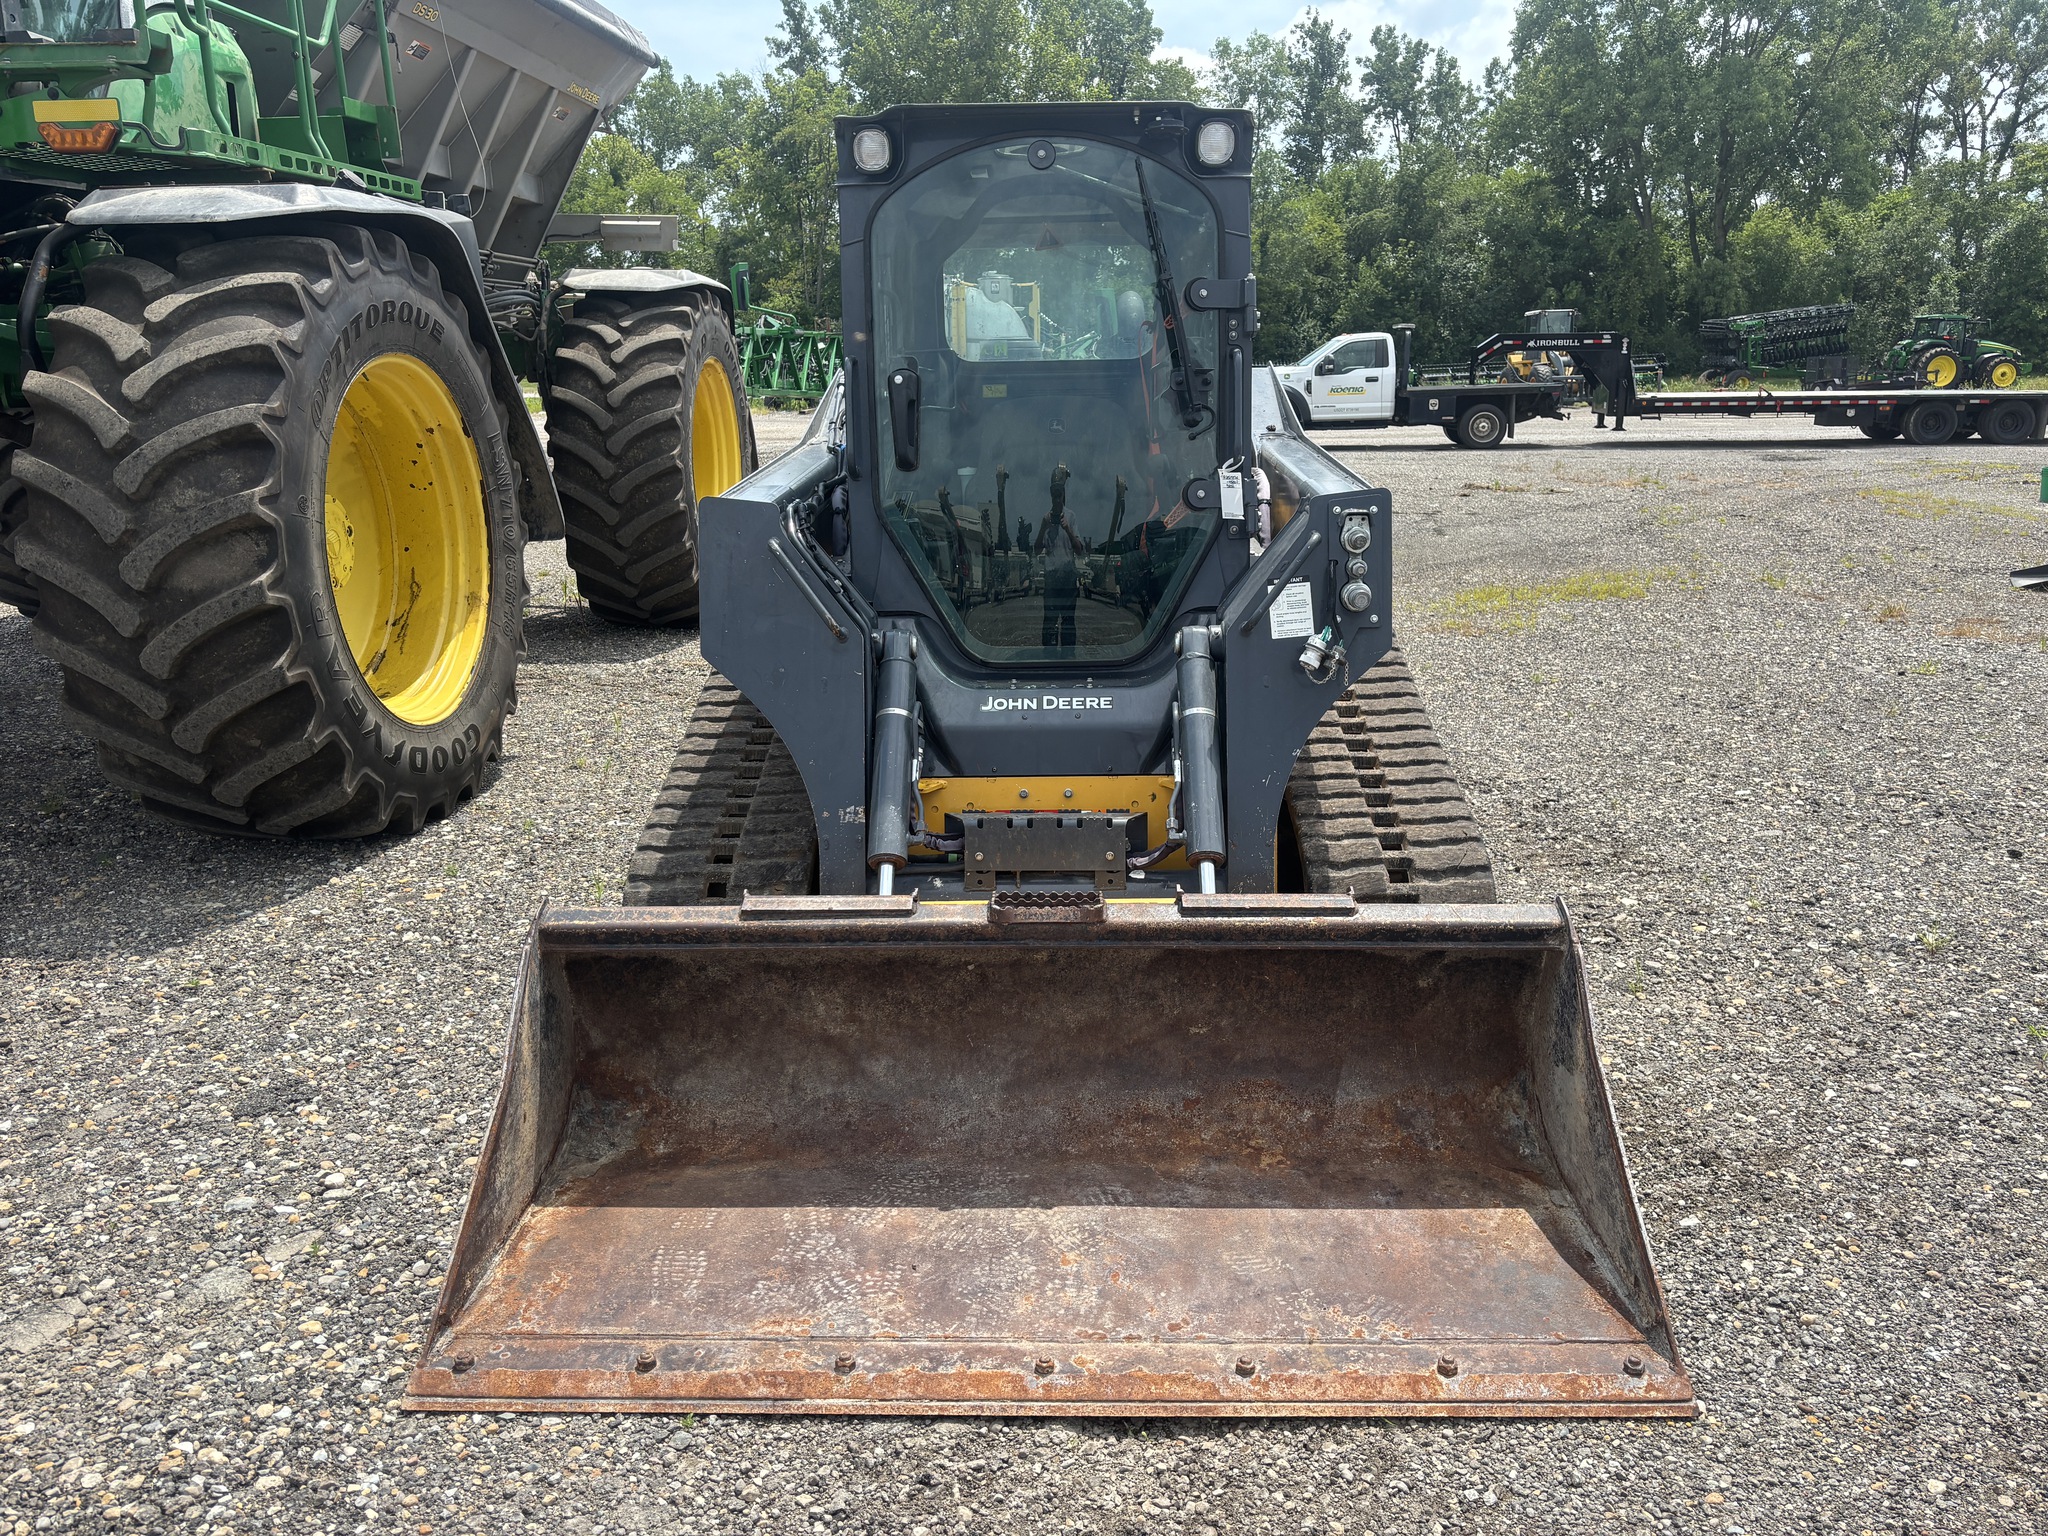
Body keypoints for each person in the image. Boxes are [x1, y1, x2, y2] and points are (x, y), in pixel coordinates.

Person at [1036, 463, 1083, 648]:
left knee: (1068, 621)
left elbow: (1079, 550)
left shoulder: (1071, 517)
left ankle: (1068, 656)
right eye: (1054, 494)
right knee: (1049, 621)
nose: (1057, 498)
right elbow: (1036, 550)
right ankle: (1048, 656)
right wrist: (1042, 528)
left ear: (1063, 495)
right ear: (1051, 495)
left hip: (1068, 577)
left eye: (1059, 494)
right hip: (1052, 579)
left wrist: (1068, 530)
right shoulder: (1045, 519)